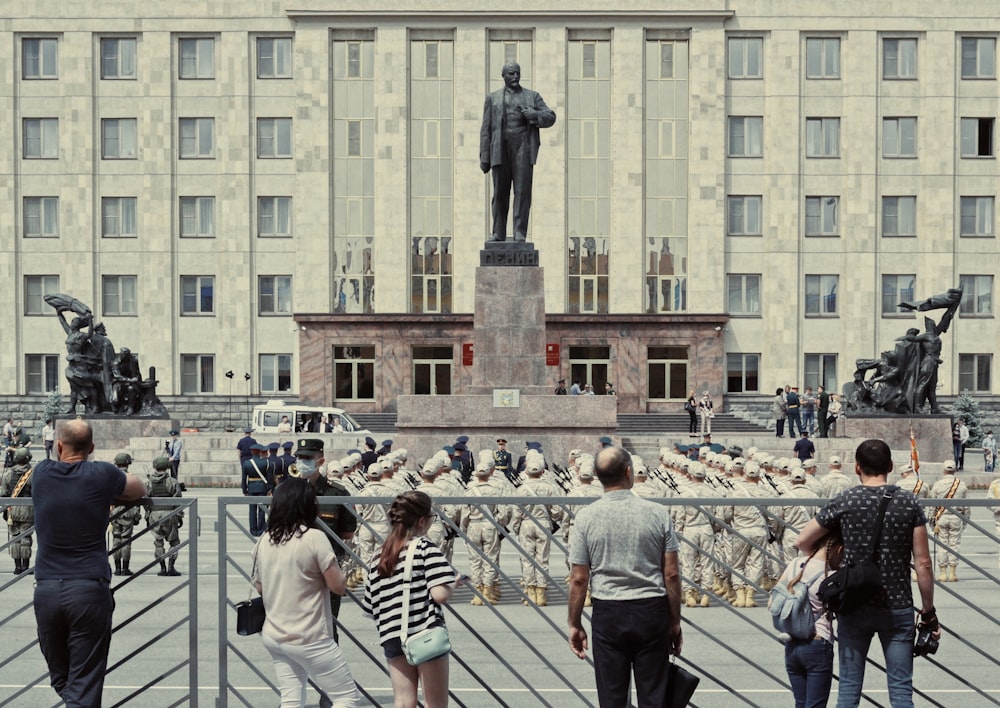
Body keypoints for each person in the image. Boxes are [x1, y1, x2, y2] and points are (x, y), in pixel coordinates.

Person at [796, 439, 939, 708]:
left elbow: (803, 541)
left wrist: (836, 558)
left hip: (854, 602)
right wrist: (928, 611)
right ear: (891, 466)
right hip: (897, 604)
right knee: (900, 688)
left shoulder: (846, 499)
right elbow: (923, 563)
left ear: (857, 467)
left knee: (849, 686)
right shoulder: (908, 502)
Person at [31, 419, 146, 706]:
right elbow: (138, 488)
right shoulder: (101, 474)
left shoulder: (42, 472)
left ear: (58, 446)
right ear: (92, 448)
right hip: (88, 590)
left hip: (46, 589)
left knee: (62, 678)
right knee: (83, 682)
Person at [568, 446, 682, 707]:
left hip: (609, 611)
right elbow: (672, 573)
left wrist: (574, 623)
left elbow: (578, 578)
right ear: (629, 472)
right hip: (651, 610)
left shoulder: (585, 517)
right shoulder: (657, 513)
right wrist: (674, 620)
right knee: (655, 696)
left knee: (612, 697)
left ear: (598, 477)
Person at [253, 477, 361, 707]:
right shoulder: (314, 538)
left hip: (274, 633)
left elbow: (260, 586)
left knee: (291, 698)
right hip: (310, 636)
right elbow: (338, 586)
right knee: (346, 697)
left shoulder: (265, 539)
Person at [362, 491, 459, 708]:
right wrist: (453, 583)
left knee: (404, 701)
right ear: (422, 521)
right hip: (423, 632)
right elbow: (439, 594)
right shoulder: (425, 547)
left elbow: (370, 605)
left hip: (391, 635)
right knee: (435, 703)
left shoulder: (378, 555)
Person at [480, 60, 557, 242]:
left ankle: (519, 232)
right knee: (500, 192)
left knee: (522, 192)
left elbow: (551, 116)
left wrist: (535, 115)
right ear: (503, 76)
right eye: (511, 74)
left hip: (523, 146)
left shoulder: (532, 96)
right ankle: (498, 232)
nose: (515, 77)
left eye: (517, 73)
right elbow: (486, 129)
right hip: (500, 148)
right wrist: (485, 157)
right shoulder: (493, 98)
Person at [299, 438, 358, 643]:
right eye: (299, 457)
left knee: (328, 626)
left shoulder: (336, 493)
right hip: (296, 569)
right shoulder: (288, 491)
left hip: (327, 568)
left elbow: (348, 531)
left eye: (307, 458)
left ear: (320, 461)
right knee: (298, 626)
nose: (301, 462)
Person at [773, 532, 842, 708]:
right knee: (815, 705)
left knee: (800, 703)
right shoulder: (832, 575)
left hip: (792, 641)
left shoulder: (795, 564)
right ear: (838, 549)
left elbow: (773, 600)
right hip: (818, 641)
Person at [929, 460, 969, 582]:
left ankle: (942, 573)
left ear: (944, 470)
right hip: (956, 517)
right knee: (954, 544)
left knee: (942, 545)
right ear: (955, 470)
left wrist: (932, 520)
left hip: (941, 517)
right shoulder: (961, 484)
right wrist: (966, 520)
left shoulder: (938, 484)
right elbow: (966, 505)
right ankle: (952, 573)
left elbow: (933, 505)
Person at [146, 455, 184, 576]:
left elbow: (146, 500)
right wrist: (179, 516)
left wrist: (148, 515)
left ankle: (162, 568)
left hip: (155, 515)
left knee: (158, 542)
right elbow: (178, 500)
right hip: (170, 514)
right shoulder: (172, 481)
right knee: (174, 542)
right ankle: (171, 566)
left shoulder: (148, 483)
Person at [1, 447, 35, 574]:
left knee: (15, 537)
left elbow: (3, 494)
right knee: (26, 538)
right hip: (28, 511)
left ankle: (17, 567)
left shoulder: (8, 475)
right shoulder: (33, 474)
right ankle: (25, 567)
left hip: (12, 511)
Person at [111, 452, 143, 576]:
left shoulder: (111, 479)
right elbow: (139, 496)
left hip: (115, 511)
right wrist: (137, 515)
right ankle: (125, 568)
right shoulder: (131, 478)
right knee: (126, 540)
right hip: (128, 511)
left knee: (116, 539)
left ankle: (117, 568)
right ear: (128, 463)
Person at [242, 444, 274, 537]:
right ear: (260, 452)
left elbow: (244, 478)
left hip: (251, 488)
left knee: (252, 509)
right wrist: (270, 488)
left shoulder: (246, 463)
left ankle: (253, 530)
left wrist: (245, 490)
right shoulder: (265, 462)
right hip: (262, 487)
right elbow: (269, 477)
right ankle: (260, 530)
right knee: (262, 510)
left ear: (252, 452)